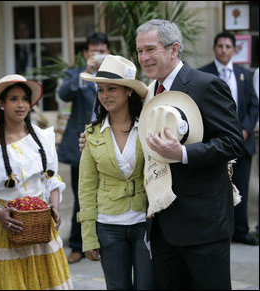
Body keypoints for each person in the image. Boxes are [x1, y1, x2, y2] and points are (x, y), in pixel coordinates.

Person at [135, 19, 244, 289]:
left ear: (174, 49)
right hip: (162, 227)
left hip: (203, 225)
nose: (143, 58)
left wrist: (182, 152)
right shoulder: (148, 93)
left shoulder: (206, 85)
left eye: (150, 49)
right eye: (139, 51)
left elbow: (232, 143)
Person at [0, 74, 73, 290]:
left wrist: (53, 206)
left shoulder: (41, 137)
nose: (21, 104)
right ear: (1, 104)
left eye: (25, 99)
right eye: (13, 99)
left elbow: (51, 178)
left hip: (40, 225)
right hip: (4, 227)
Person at [77, 55, 154, 290]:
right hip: (108, 225)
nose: (105, 95)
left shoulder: (149, 127)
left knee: (148, 286)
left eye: (112, 88)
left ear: (129, 91)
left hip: (145, 223)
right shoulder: (92, 134)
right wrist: (88, 235)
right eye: (100, 90)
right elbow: (86, 187)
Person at [199, 31, 259, 246]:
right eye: (220, 46)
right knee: (215, 188)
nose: (224, 50)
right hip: (215, 144)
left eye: (228, 46)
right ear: (215, 48)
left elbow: (254, 105)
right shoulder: (203, 73)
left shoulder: (245, 74)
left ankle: (241, 232)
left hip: (242, 142)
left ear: (234, 50)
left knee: (241, 186)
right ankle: (218, 231)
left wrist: (245, 130)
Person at [57, 32, 110, 264]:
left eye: (101, 50)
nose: (97, 54)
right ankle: (78, 245)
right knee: (82, 196)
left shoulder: (115, 74)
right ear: (86, 53)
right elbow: (64, 93)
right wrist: (85, 74)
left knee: (108, 193)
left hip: (111, 142)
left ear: (108, 51)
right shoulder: (76, 74)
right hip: (82, 144)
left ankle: (105, 242)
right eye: (93, 50)